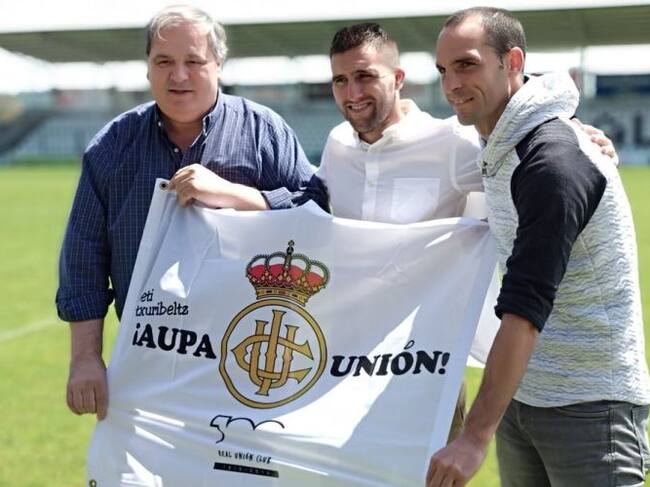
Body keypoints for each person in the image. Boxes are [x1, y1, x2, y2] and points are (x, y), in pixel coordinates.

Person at [320, 22, 616, 443]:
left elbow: (532, 159)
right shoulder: (336, 144)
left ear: (398, 78)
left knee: (433, 471)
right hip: (345, 364)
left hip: (424, 366)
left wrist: (578, 134)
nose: (352, 92)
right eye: (340, 80)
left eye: (365, 76)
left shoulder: (451, 142)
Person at [56, 5, 326, 422]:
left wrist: (234, 194)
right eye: (164, 61)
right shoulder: (111, 146)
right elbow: (83, 258)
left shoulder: (264, 132)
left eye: (194, 61)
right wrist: (84, 358)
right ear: (148, 68)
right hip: (146, 363)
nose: (178, 75)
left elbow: (316, 210)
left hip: (247, 363)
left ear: (218, 65)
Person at [427, 7, 650, 487]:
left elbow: (526, 305)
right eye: (443, 70)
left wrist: (473, 437)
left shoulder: (554, 160)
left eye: (466, 65)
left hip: (589, 406)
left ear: (512, 62)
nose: (451, 84)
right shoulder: (500, 143)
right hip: (521, 396)